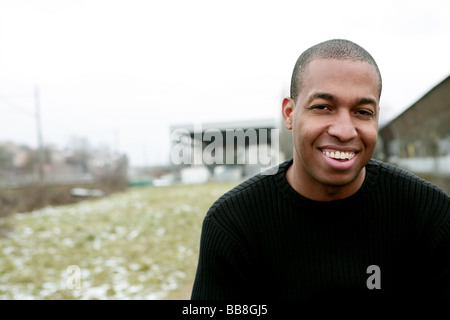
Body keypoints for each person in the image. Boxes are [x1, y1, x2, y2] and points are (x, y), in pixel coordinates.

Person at [190, 39, 450, 302]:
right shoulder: (233, 224)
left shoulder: (429, 215)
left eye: (362, 112)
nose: (344, 130)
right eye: (323, 107)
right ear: (289, 114)